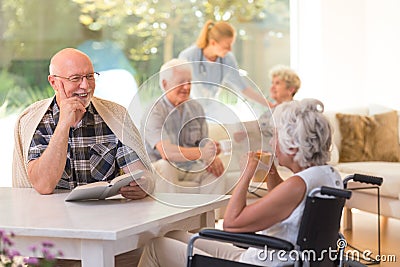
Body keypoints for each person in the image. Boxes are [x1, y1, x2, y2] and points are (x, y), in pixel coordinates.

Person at [137, 98, 343, 267]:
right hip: (272, 255)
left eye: (276, 137)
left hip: (258, 263)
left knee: (157, 246)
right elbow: (288, 202)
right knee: (174, 234)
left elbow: (232, 224)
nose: (272, 142)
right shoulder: (326, 176)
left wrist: (246, 172)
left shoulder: (297, 185)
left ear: (293, 145)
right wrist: (270, 170)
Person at [12, 48, 154, 266]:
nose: (85, 86)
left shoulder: (113, 116)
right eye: (75, 78)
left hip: (106, 232)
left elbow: (140, 172)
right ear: (54, 82)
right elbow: (43, 184)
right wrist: (63, 126)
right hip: (53, 237)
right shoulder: (34, 121)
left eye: (89, 76)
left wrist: (142, 184)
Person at [141, 58, 225, 194]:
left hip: (189, 166)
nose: (187, 87)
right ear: (165, 84)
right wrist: (202, 153)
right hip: (161, 166)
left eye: (189, 82)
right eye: (181, 82)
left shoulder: (196, 108)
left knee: (217, 171)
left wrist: (212, 154)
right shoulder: (154, 111)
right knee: (165, 166)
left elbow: (204, 144)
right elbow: (167, 153)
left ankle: (210, 215)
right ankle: (170, 214)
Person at [178, 20, 272, 107]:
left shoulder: (228, 59)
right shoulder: (188, 56)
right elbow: (178, 89)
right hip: (190, 109)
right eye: (227, 46)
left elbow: (243, 88)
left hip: (212, 110)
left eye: (231, 45)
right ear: (213, 43)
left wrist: (269, 105)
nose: (230, 49)